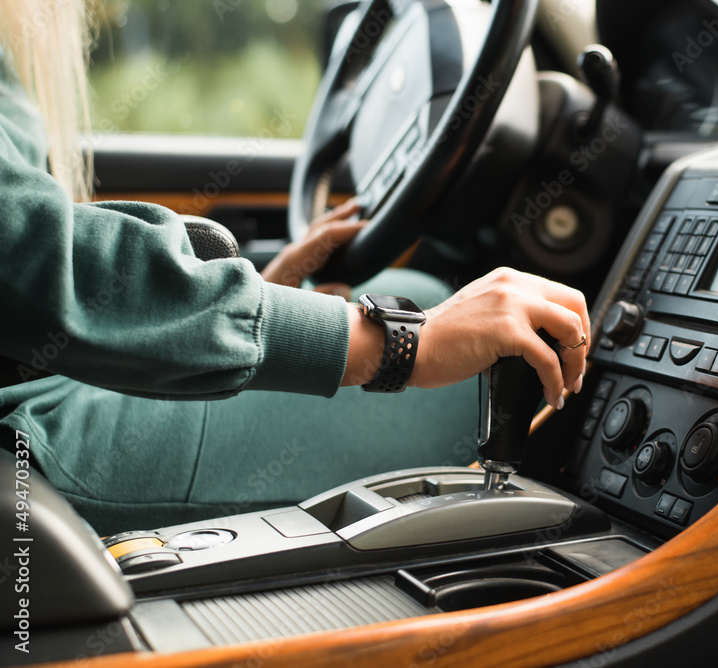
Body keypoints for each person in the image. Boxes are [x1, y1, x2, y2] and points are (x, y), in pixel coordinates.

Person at [0, 1, 589, 534]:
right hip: (36, 443)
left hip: (49, 393)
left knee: (403, 290)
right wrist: (408, 346)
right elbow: (25, 251)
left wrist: (255, 290)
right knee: (453, 370)